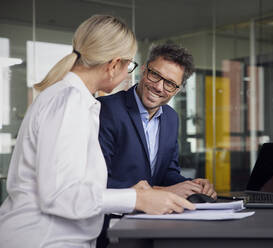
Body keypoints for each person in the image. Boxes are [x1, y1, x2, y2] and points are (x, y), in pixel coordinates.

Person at [0, 15, 194, 248]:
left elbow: (73, 186)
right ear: (113, 65)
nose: (128, 74)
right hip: (43, 239)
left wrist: (132, 191)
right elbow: (60, 196)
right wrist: (137, 198)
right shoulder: (69, 102)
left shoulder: (77, 100)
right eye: (129, 65)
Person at [96, 43, 217, 247]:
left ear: (178, 89)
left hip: (156, 226)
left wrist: (192, 187)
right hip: (112, 230)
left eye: (170, 83)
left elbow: (168, 172)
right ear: (144, 69)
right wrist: (162, 191)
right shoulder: (107, 110)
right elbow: (99, 182)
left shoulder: (171, 118)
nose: (159, 87)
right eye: (155, 75)